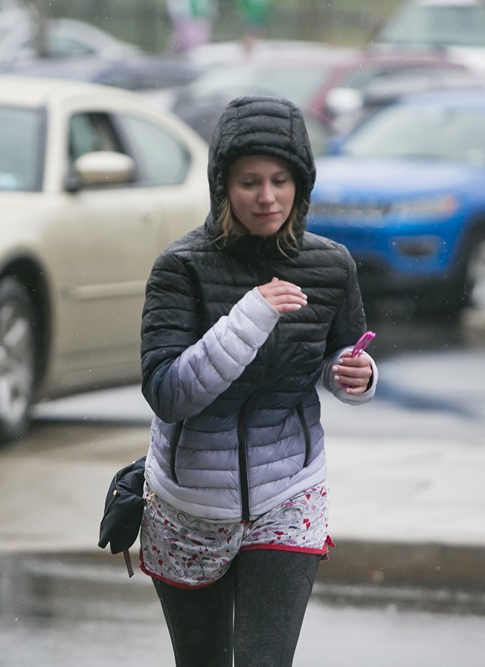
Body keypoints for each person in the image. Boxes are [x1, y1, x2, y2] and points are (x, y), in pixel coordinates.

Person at [138, 95, 378, 667]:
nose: (267, 197)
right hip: (189, 500)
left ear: (301, 185)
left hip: (288, 491)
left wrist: (357, 374)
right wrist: (249, 315)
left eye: (280, 180)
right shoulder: (182, 267)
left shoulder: (331, 265)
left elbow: (339, 355)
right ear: (223, 186)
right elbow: (169, 393)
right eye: (249, 182)